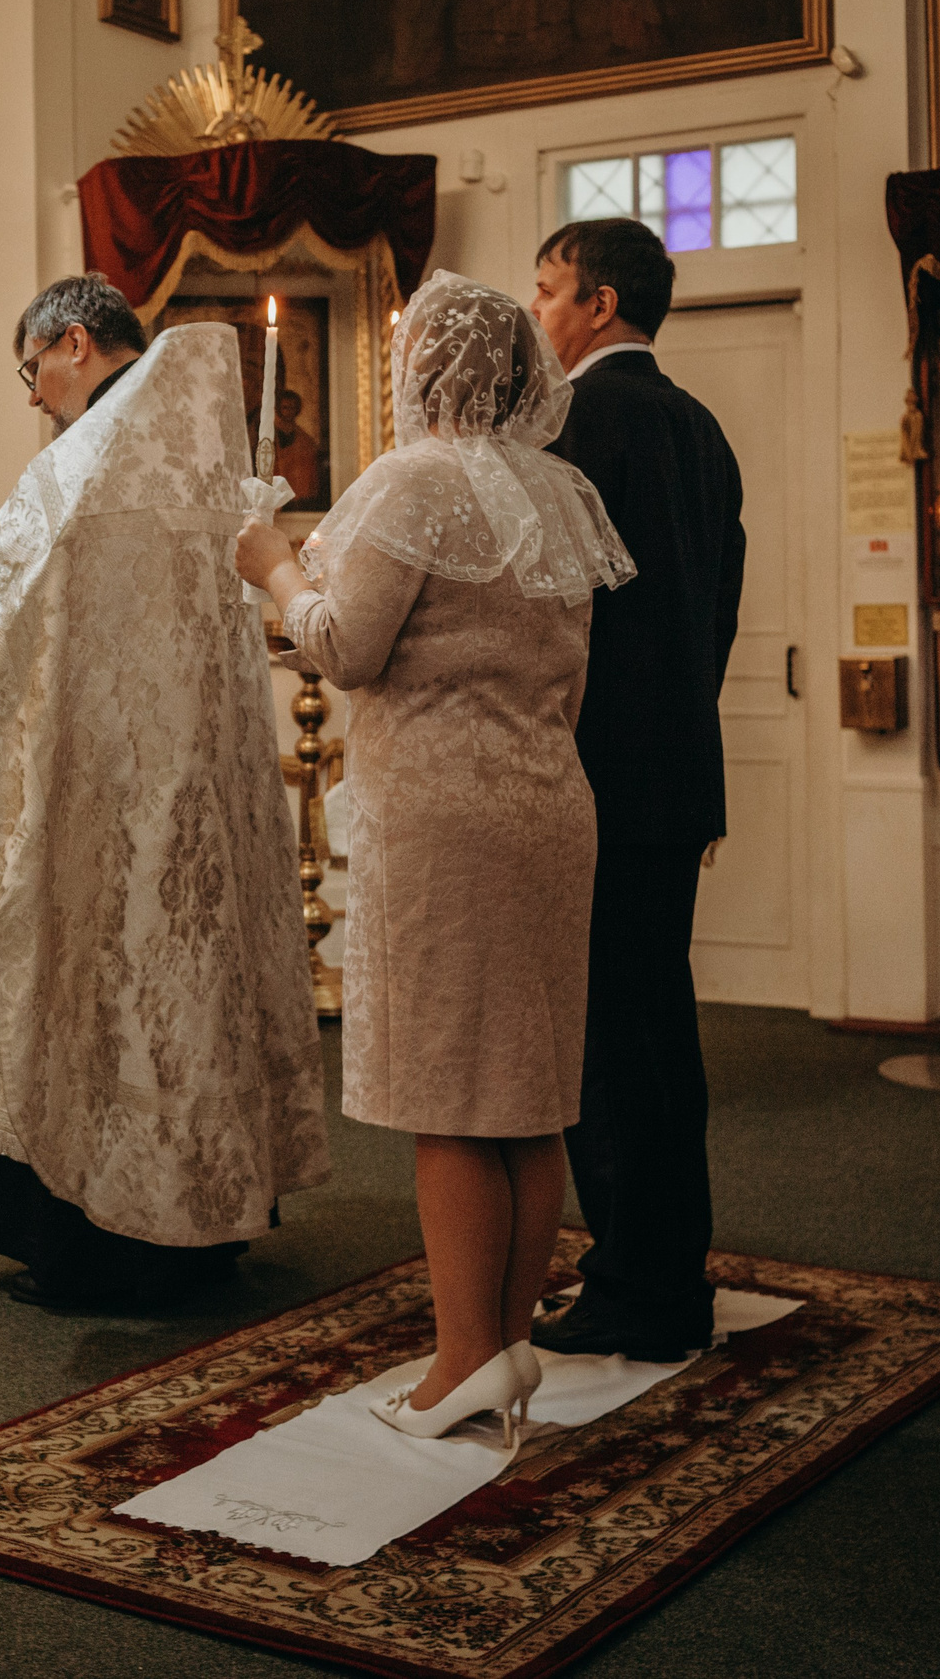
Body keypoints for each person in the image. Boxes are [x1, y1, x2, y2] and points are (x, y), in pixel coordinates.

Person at [233, 271, 634, 1437]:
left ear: (429, 371)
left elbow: (348, 647)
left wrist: (272, 564)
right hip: (548, 803)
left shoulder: (413, 480)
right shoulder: (556, 487)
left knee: (450, 1095)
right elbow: (564, 670)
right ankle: (503, 1347)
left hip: (444, 820)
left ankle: (460, 1362)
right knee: (528, 1094)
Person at [0, 273, 329, 1309]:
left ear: (73, 341)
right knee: (191, 983)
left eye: (32, 369)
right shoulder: (201, 445)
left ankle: (103, 1244)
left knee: (107, 985)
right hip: (198, 781)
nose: (32, 396)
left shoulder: (84, 457)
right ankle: (206, 1223)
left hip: (108, 784)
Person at [525, 218, 746, 1362]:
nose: (537, 312)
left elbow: (551, 616)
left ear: (599, 304)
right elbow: (717, 609)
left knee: (608, 1046)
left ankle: (637, 1289)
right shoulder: (700, 426)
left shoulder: (571, 421)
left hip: (594, 775)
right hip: (675, 768)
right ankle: (664, 1269)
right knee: (657, 1027)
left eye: (547, 290)